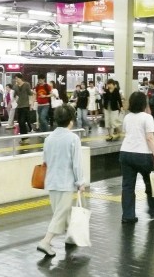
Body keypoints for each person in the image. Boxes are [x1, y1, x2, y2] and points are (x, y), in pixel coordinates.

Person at [37, 104, 85, 257]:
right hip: (66, 182)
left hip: (51, 182)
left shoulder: (49, 138)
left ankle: (70, 237)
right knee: (60, 214)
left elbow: (45, 160)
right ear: (71, 120)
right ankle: (45, 241)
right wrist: (80, 182)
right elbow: (77, 163)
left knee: (63, 211)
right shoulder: (73, 138)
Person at [119, 91, 154, 224]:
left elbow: (125, 132)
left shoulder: (127, 117)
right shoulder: (147, 117)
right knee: (150, 184)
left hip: (125, 153)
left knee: (127, 187)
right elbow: (149, 138)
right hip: (143, 155)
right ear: (144, 103)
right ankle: (152, 211)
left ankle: (128, 216)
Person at [13, 73, 33, 145]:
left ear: (20, 78)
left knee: (22, 121)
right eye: (15, 79)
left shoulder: (26, 84)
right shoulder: (15, 86)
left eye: (17, 78)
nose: (16, 80)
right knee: (20, 123)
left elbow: (30, 94)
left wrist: (31, 103)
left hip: (25, 105)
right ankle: (23, 138)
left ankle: (26, 138)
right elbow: (14, 96)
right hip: (18, 106)